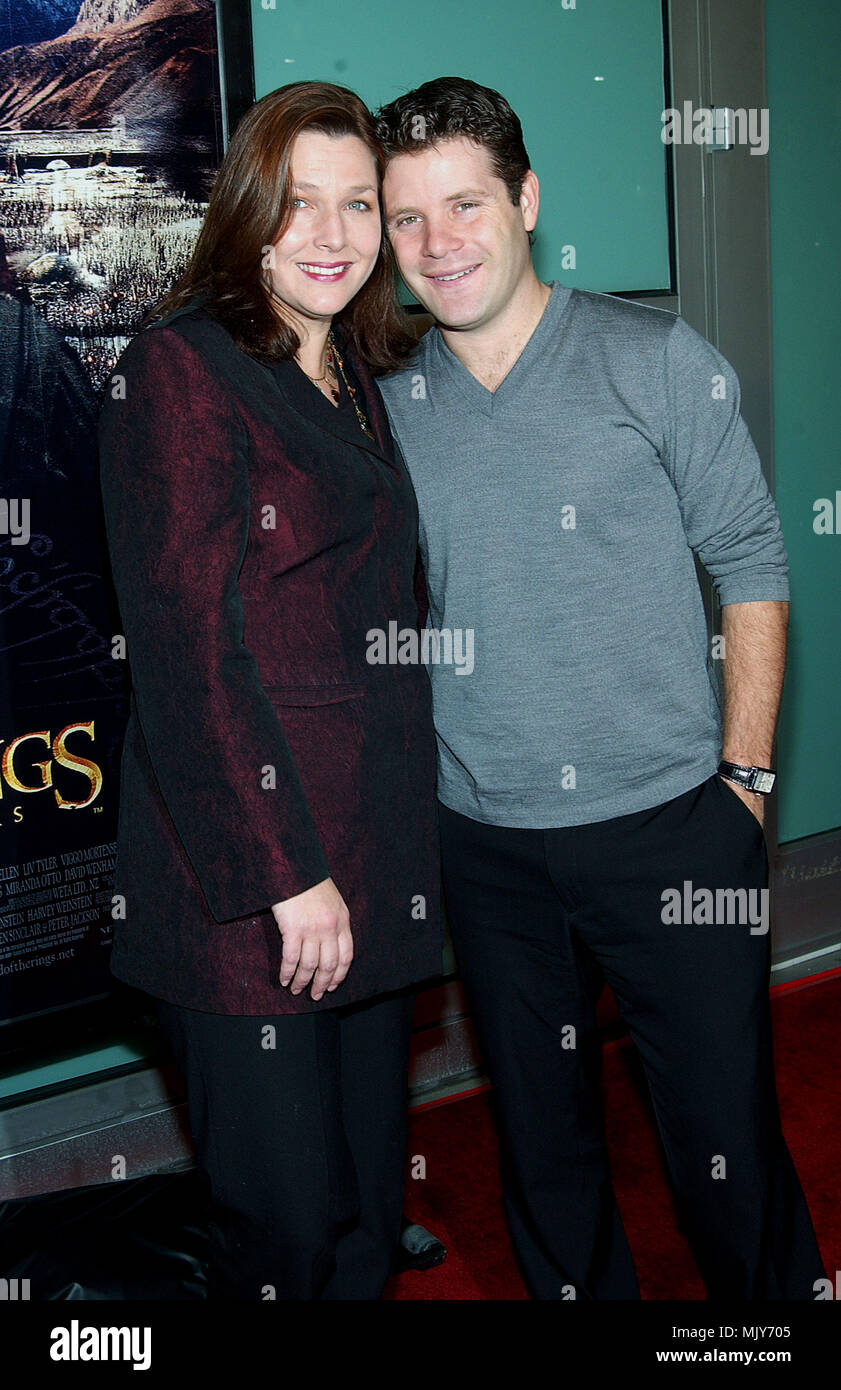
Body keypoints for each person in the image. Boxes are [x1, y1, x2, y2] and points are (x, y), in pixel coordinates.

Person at [372, 76, 827, 1300]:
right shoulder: (390, 404)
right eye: (406, 218)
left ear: (526, 200)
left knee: (724, 1150)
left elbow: (753, 563)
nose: (438, 242)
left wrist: (744, 782)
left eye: (464, 203)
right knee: (544, 1152)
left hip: (674, 826)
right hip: (487, 844)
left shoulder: (655, 357)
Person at [97, 81, 443, 1301]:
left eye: (359, 204)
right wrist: (286, 874)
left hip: (366, 857)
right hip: (257, 890)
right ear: (246, 209)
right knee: (283, 1239)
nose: (334, 233)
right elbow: (188, 654)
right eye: (300, 201)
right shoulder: (181, 371)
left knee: (356, 1221)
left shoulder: (345, 363)